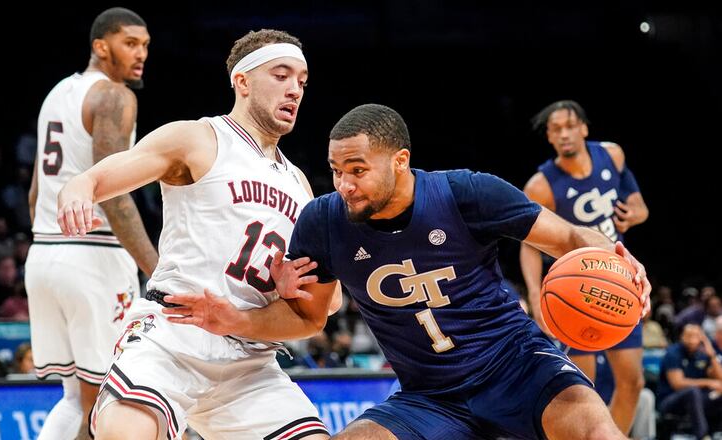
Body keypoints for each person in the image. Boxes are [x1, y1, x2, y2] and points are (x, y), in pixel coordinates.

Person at [162, 103, 653, 439]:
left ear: (400, 161)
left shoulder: (467, 193)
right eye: (336, 170)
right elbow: (309, 318)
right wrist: (235, 319)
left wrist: (614, 256)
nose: (344, 184)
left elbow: (569, 238)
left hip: (519, 368)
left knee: (596, 429)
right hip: (430, 396)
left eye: (357, 169)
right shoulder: (324, 221)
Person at [58, 29, 336, 440]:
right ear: (242, 81)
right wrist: (77, 190)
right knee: (124, 431)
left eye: (302, 80)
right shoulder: (198, 139)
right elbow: (94, 180)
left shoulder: (300, 185)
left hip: (249, 359)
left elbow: (325, 309)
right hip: (174, 333)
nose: (294, 89)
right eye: (281, 75)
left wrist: (294, 290)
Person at [25, 8, 158, 440]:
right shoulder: (116, 96)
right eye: (130, 44)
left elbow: (35, 193)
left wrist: (54, 248)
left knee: (74, 400)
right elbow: (114, 194)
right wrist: (158, 271)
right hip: (93, 257)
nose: (140, 54)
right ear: (101, 47)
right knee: (109, 401)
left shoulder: (57, 93)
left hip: (44, 254)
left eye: (145, 46)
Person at [519, 99, 649, 435]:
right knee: (582, 391)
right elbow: (528, 245)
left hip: (619, 280)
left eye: (569, 126)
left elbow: (636, 202)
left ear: (584, 128)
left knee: (632, 382)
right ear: (549, 137)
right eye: (555, 129)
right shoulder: (541, 185)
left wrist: (638, 211)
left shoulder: (613, 155)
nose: (564, 134)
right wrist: (535, 295)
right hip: (575, 289)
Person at [657, 324, 722, 440]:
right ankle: (703, 436)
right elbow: (677, 384)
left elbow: (720, 379)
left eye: (696, 336)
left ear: (702, 338)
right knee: (692, 391)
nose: (692, 340)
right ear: (682, 336)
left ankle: (716, 433)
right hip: (670, 400)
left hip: (697, 402)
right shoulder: (673, 353)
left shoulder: (702, 354)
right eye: (689, 336)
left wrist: (712, 355)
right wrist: (707, 383)